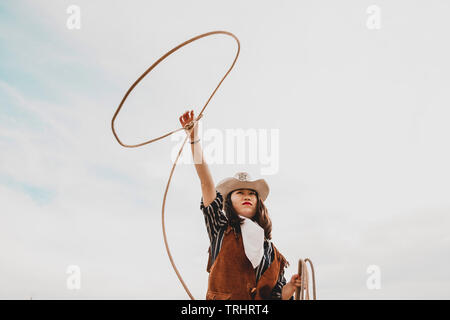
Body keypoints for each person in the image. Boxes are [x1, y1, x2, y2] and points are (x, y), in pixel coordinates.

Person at [179, 110, 302, 300]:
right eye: (240, 192)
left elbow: (277, 297)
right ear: (229, 201)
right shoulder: (220, 229)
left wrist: (291, 287)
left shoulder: (271, 252)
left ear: (258, 203)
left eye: (252, 193)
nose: (247, 196)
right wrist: (194, 139)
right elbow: (206, 183)